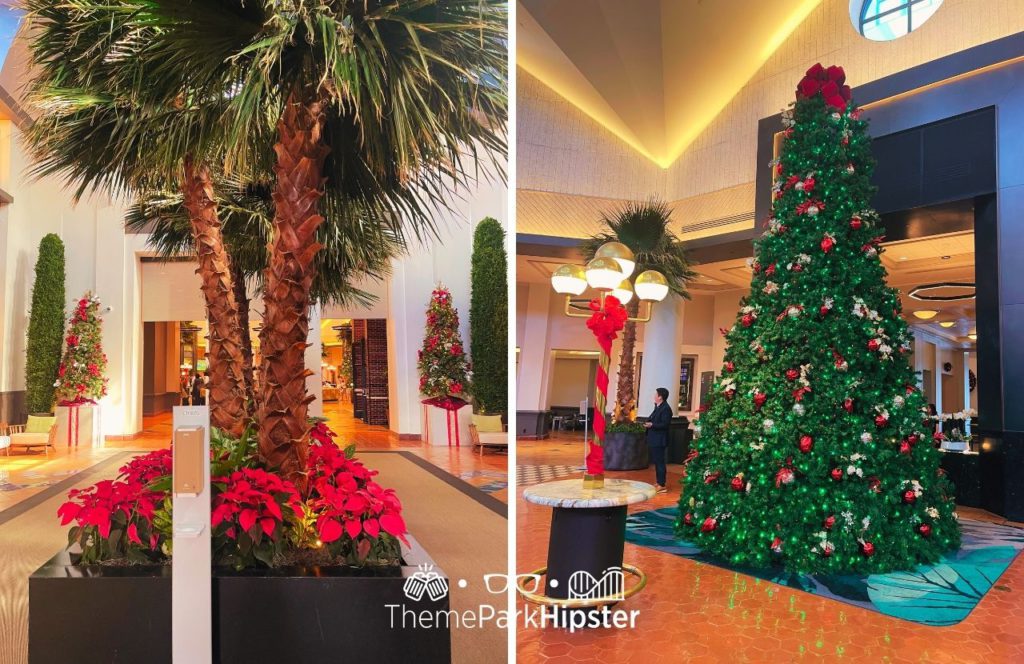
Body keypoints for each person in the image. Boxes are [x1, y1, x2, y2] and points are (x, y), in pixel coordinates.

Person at [644, 387, 673, 493]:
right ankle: (659, 481)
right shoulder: (658, 406)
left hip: (660, 440)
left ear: (660, 397)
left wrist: (652, 425)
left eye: (656, 394)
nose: (654, 396)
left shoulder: (666, 408)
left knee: (660, 462)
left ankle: (662, 484)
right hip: (654, 439)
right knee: (657, 461)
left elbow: (665, 424)